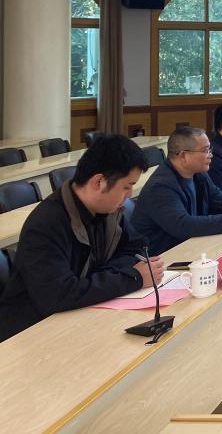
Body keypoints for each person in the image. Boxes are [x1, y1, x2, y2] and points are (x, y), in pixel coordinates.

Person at [0, 135, 162, 342]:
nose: (130, 195)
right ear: (99, 182)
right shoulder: (46, 224)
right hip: (32, 331)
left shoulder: (109, 210)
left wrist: (104, 278)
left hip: (82, 312)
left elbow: (137, 249)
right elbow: (57, 295)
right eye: (126, 186)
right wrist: (133, 278)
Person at [131, 127, 222, 255]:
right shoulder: (160, 187)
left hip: (190, 247)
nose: (211, 155)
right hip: (163, 258)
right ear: (184, 156)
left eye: (210, 149)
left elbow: (217, 196)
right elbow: (183, 225)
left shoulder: (197, 173)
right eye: (205, 150)